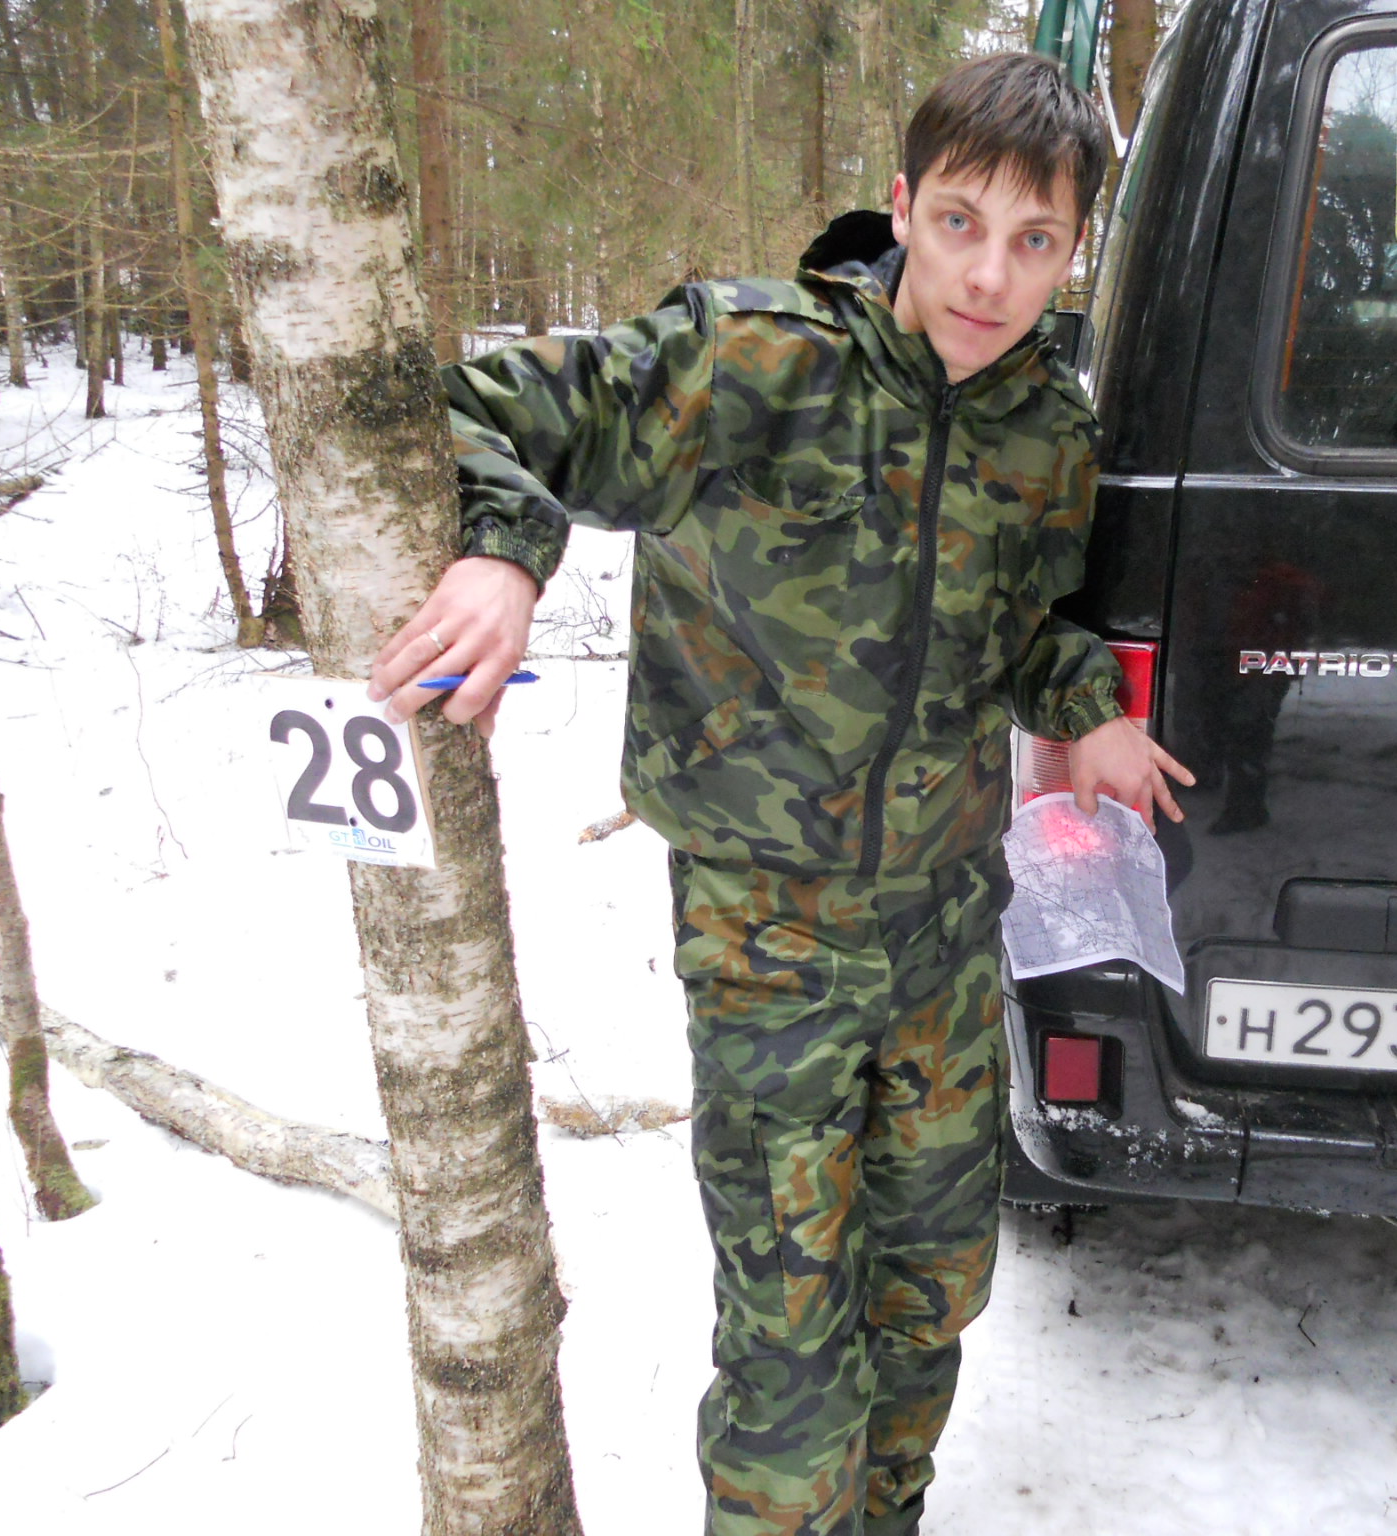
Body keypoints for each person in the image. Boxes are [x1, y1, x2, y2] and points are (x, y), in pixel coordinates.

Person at [368, 51, 1192, 1536]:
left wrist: (1089, 712)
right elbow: (487, 404)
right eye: (960, 223)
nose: (989, 275)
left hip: (948, 932)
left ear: (1075, 250)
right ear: (901, 205)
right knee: (792, 1361)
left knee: (929, 1299)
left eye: (1035, 241)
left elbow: (1019, 627)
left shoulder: (1045, 433)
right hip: (770, 945)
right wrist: (503, 549)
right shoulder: (748, 362)